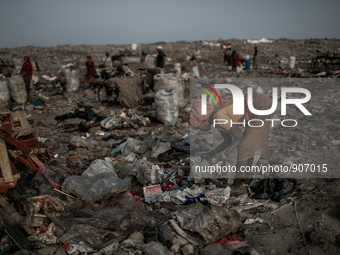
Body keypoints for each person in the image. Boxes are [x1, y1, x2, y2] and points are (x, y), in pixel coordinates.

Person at [188, 91, 275, 187]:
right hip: (256, 104)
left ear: (205, 120)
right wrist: (209, 154)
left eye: (200, 127)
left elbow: (239, 137)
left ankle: (236, 185)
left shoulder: (219, 117)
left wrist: (224, 155)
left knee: (244, 146)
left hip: (262, 105)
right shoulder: (216, 119)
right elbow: (227, 141)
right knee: (248, 142)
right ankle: (247, 178)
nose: (201, 129)